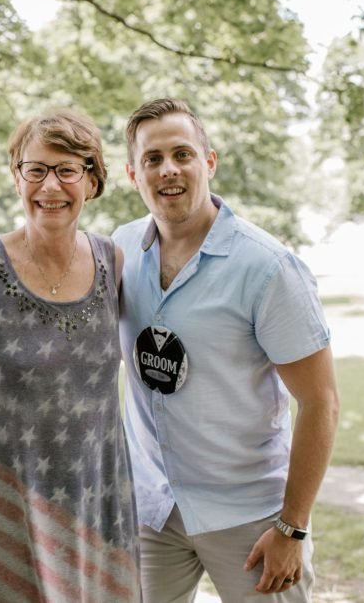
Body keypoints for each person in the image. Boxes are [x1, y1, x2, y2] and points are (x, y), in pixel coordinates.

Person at [114, 98, 340, 602]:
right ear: (134, 173)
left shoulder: (269, 268)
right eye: (153, 158)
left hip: (252, 516)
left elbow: (321, 402)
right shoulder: (120, 251)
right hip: (153, 511)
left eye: (182, 154)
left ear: (208, 162)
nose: (168, 169)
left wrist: (292, 527)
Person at [0, 109, 141, 602]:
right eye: (35, 169)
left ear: (92, 180)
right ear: (17, 178)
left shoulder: (112, 261)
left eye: (67, 170)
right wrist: (5, 381)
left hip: (102, 489)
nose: (50, 185)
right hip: (20, 493)